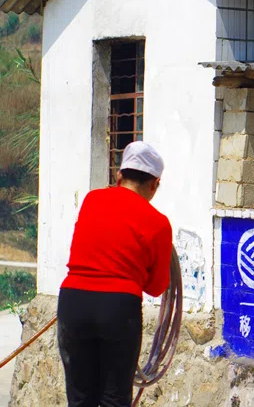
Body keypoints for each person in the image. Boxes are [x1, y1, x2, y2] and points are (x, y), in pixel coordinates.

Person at [57, 141, 173, 407]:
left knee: (80, 398)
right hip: (118, 307)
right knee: (115, 398)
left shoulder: (92, 200)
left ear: (119, 176)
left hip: (73, 302)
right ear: (154, 184)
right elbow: (156, 287)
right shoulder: (158, 224)